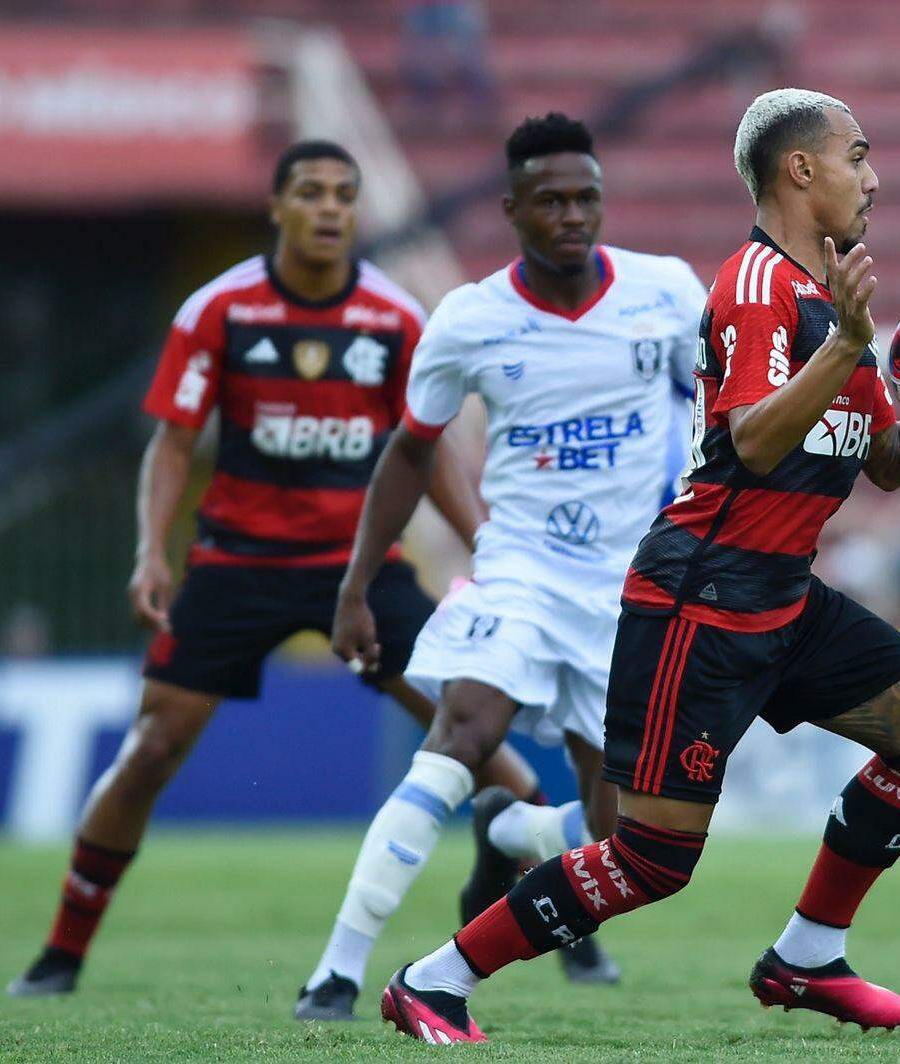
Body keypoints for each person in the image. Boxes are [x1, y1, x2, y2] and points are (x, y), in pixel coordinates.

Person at [380, 88, 900, 1044]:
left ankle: (806, 953)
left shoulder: (829, 298)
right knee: (652, 859)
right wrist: (848, 346)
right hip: (700, 595)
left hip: (783, 593)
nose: (874, 178)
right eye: (858, 156)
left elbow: (883, 461)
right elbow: (755, 444)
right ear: (800, 169)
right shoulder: (759, 285)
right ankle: (433, 980)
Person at [6, 139, 539, 997]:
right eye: (312, 193)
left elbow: (424, 447)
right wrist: (152, 548)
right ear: (278, 208)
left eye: (344, 194)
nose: (331, 208)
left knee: (486, 748)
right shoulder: (220, 310)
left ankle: (537, 911)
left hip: (357, 572)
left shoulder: (396, 318)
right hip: (236, 564)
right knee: (151, 748)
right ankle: (61, 952)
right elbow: (174, 441)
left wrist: (482, 540)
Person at [298, 113, 706, 1019]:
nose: (572, 215)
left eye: (586, 198)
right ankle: (337, 967)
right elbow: (412, 449)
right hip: (521, 565)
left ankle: (512, 826)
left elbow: (715, 406)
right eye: (551, 200)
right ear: (513, 207)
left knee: (622, 834)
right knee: (462, 732)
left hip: (629, 588)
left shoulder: (668, 293)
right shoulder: (471, 318)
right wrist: (356, 586)